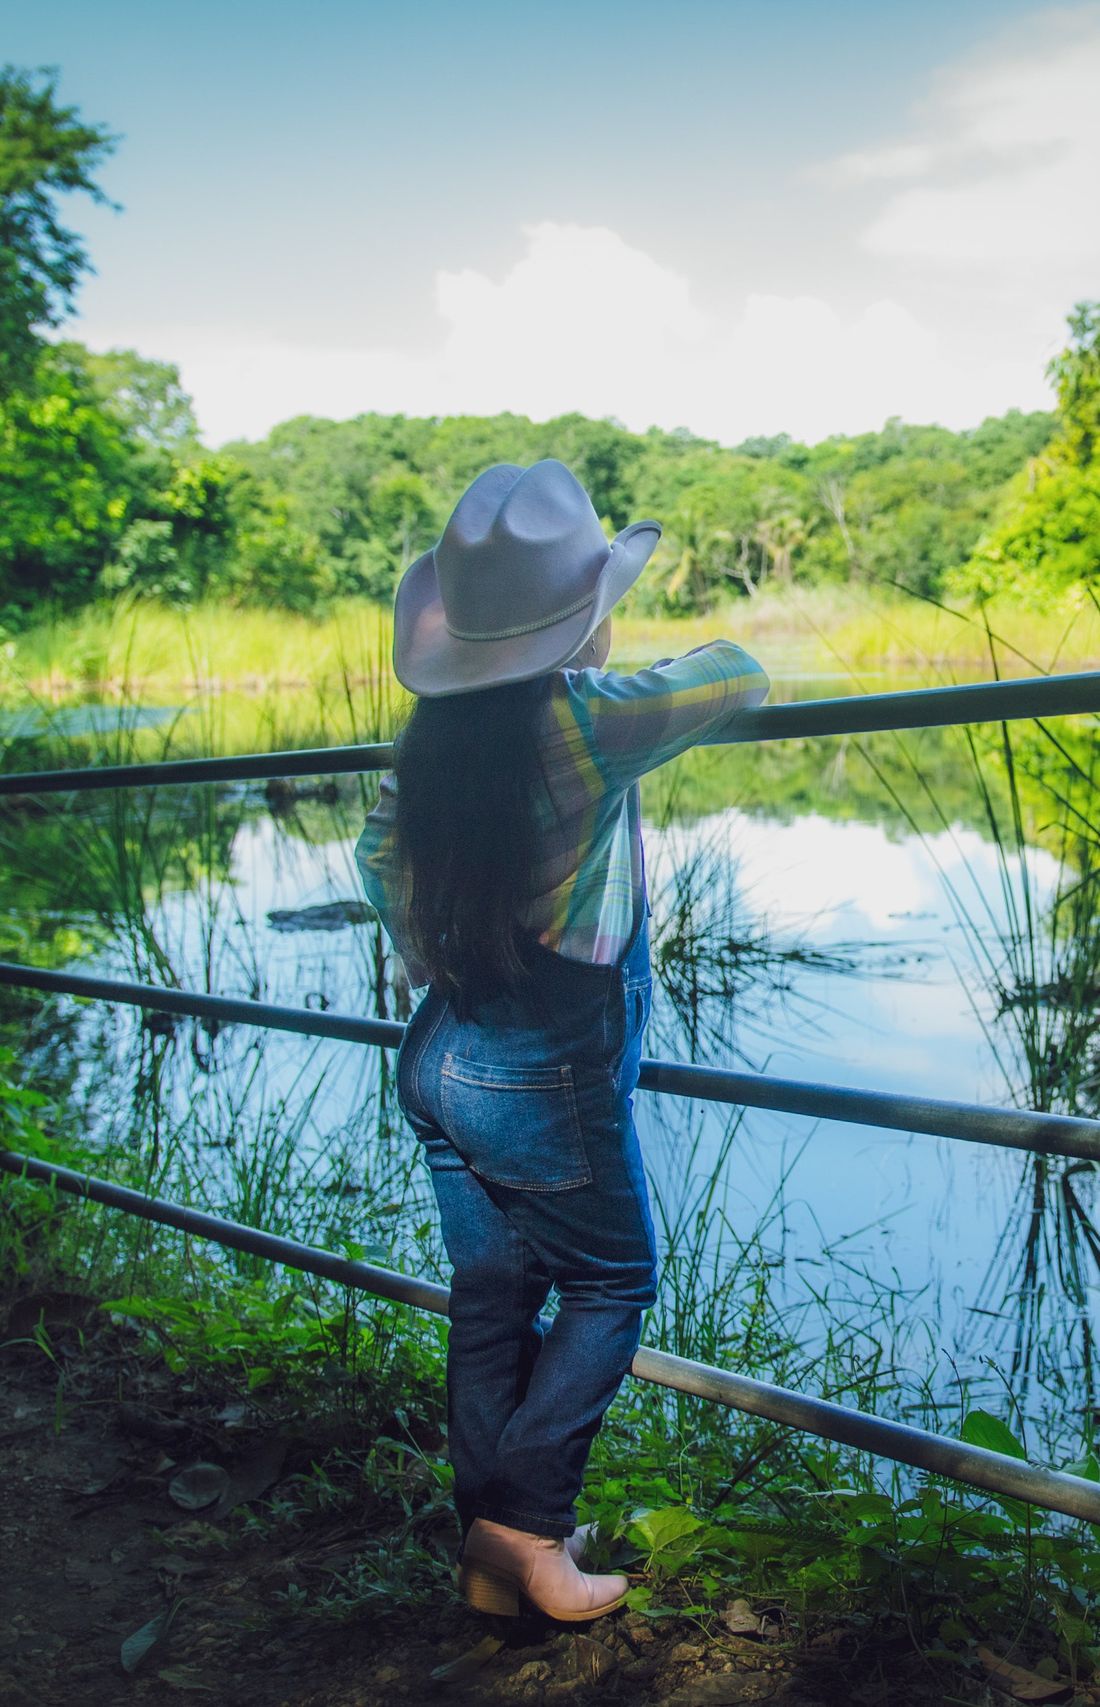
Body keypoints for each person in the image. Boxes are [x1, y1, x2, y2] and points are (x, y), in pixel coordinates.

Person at [357, 461, 766, 1622]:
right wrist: (617, 661)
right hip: (539, 1069)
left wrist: (425, 946)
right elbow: (736, 672)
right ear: (580, 621)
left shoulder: (433, 746)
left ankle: (488, 1546)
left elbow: (372, 859)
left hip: (442, 1052)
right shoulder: (588, 722)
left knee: (492, 1288)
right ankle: (527, 1528)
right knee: (611, 1278)